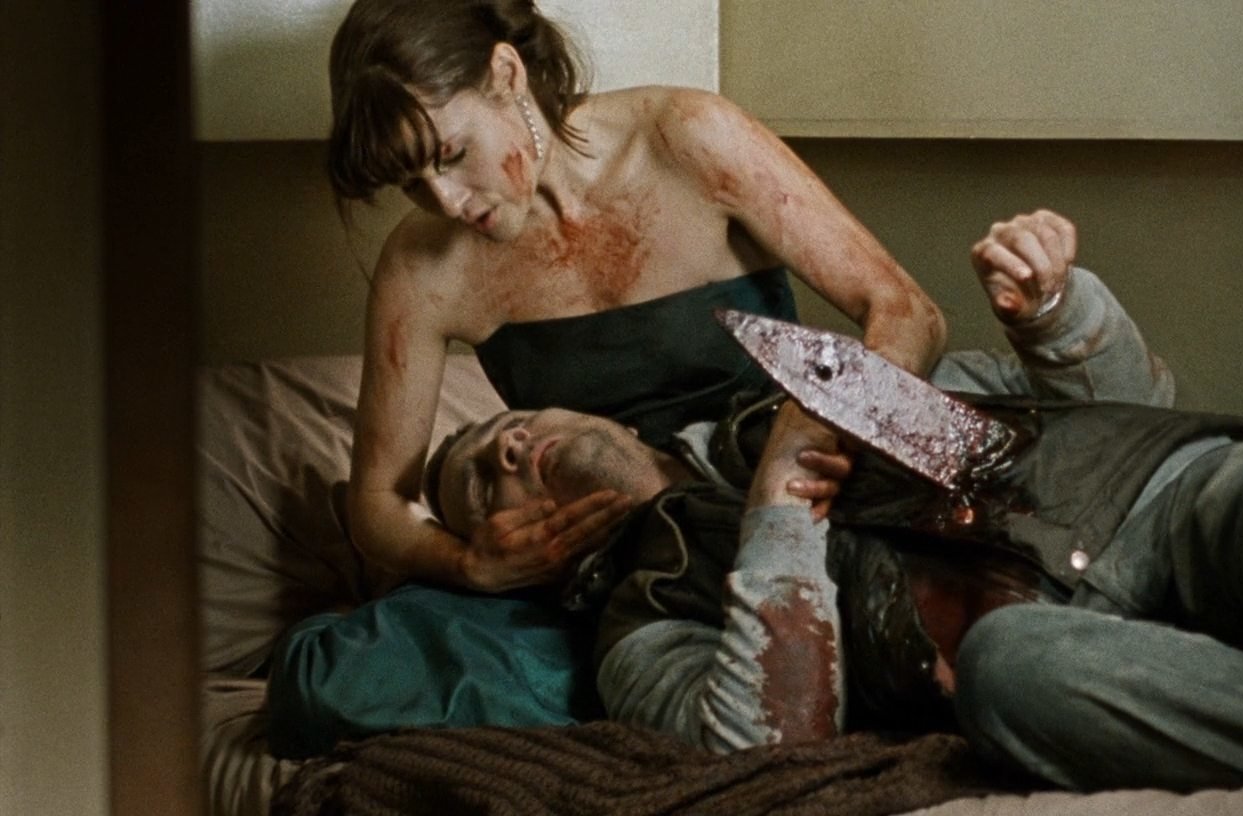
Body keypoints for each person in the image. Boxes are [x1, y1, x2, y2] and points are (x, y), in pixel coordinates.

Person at [423, 210, 1243, 791]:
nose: (506, 447)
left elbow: (1128, 404)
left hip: (1172, 497)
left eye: (511, 425)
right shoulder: (642, 626)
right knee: (1005, 667)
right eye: (482, 482)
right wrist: (779, 509)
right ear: (518, 556)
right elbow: (767, 748)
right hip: (1046, 653)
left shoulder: (794, 383)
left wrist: (1055, 312)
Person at [325, 0, 945, 593]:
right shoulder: (421, 266)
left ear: (507, 74)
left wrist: (832, 428)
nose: (447, 202)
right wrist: (467, 564)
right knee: (353, 653)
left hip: (781, 492)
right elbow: (377, 503)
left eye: (453, 155)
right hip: (613, 560)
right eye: (412, 184)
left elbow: (907, 314)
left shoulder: (688, 136)